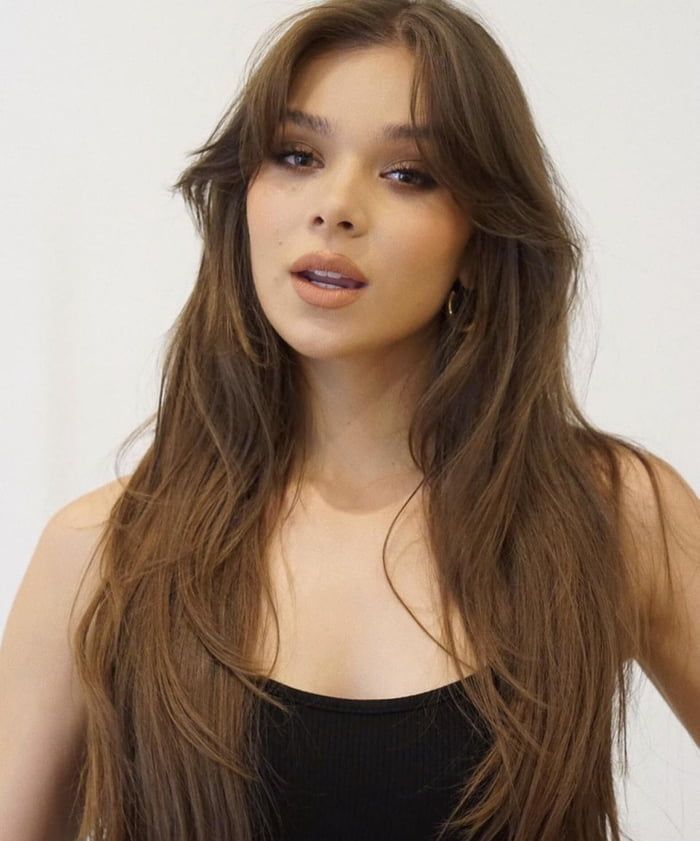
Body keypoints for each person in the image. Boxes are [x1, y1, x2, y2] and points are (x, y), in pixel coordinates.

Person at [1, 1, 698, 839]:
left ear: (480, 238)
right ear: (244, 201)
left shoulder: (615, 513)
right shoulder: (101, 552)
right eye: (296, 155)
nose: (335, 205)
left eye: (409, 174)